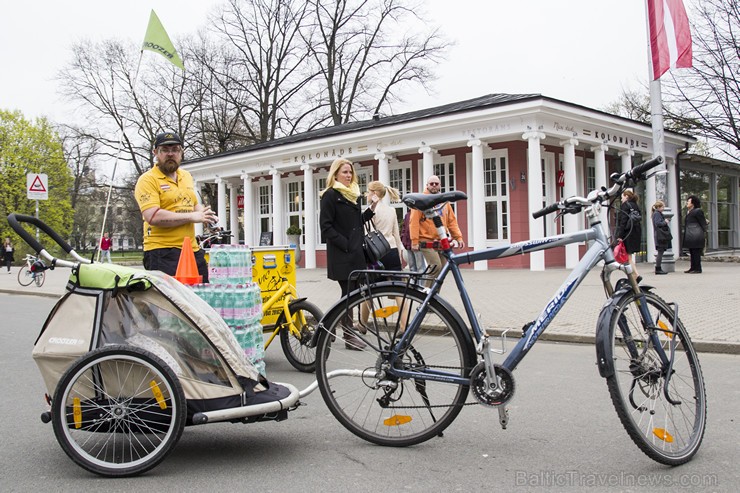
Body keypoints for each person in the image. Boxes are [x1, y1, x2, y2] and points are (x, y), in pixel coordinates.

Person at [135, 130, 218, 282]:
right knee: (171, 303)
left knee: (203, 296)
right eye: (165, 150)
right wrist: (192, 217)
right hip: (162, 251)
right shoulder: (147, 180)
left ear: (182, 152)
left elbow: (192, 205)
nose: (170, 154)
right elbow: (152, 216)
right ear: (155, 153)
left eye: (175, 150)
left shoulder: (186, 176)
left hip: (191, 249)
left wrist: (206, 216)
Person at [319, 158, 379, 350]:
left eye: (350, 172)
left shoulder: (353, 195)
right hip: (341, 254)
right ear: (335, 174)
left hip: (355, 254)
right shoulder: (330, 195)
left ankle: (329, 327)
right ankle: (348, 335)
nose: (349, 175)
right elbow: (326, 227)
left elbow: (355, 223)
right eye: (345, 172)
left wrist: (371, 210)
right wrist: (345, 244)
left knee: (350, 294)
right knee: (348, 294)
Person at [408, 175, 465, 286]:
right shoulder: (421, 201)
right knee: (435, 267)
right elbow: (413, 222)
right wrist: (414, 241)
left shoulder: (444, 202)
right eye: (431, 184)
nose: (434, 186)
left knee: (442, 271)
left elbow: (451, 221)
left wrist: (459, 237)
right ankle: (426, 296)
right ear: (427, 185)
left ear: (440, 186)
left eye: (436, 184)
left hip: (441, 242)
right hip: (426, 241)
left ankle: (435, 297)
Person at [365, 181, 404, 271]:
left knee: (378, 284)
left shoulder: (370, 211)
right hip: (392, 250)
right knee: (395, 283)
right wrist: (399, 255)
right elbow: (396, 235)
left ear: (374, 193)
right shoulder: (391, 210)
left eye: (368, 192)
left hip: (378, 251)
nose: (366, 195)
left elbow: (368, 235)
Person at [615, 189, 642, 280]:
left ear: (626, 196)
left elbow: (623, 221)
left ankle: (636, 275)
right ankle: (634, 275)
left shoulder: (625, 205)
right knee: (629, 255)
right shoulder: (635, 205)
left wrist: (620, 236)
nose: (621, 199)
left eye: (622, 196)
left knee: (628, 256)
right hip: (636, 231)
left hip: (628, 232)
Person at [683, 195, 708, 274]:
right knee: (692, 251)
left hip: (696, 235)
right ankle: (692, 267)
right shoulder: (689, 212)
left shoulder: (698, 211)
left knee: (696, 252)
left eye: (689, 201)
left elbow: (703, 222)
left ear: (693, 203)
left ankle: (697, 268)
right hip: (690, 235)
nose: (687, 202)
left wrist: (704, 231)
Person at [651, 201, 672, 275]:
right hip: (660, 236)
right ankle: (658, 268)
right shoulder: (657, 214)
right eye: (662, 207)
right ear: (658, 207)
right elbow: (658, 223)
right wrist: (665, 222)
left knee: (661, 251)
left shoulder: (656, 214)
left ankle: (658, 268)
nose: (663, 208)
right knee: (660, 252)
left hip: (659, 235)